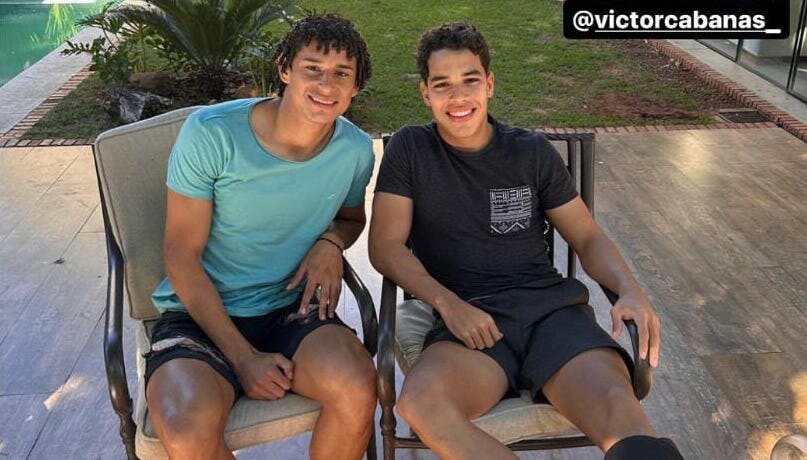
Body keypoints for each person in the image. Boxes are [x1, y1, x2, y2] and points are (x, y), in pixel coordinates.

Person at [369, 22, 683, 460]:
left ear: (489, 84)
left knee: (624, 419)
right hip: (470, 320)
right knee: (421, 404)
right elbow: (385, 246)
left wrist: (629, 288)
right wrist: (448, 304)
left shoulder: (530, 152)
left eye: (470, 81)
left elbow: (586, 235)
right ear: (426, 93)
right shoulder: (411, 149)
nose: (458, 97)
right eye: (442, 85)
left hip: (551, 314)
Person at [145, 14, 376, 460]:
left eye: (341, 74)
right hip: (199, 315)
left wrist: (331, 242)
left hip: (290, 306)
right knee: (186, 431)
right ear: (284, 68)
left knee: (357, 387)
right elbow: (180, 254)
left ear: (355, 87)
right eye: (312, 68)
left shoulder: (354, 150)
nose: (326, 85)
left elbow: (351, 218)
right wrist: (243, 357)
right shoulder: (211, 133)